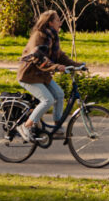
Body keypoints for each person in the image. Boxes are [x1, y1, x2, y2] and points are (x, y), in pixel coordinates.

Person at [16, 9, 73, 141]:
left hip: (41, 75)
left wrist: (77, 65)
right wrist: (56, 67)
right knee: (47, 100)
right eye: (58, 20)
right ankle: (26, 126)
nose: (60, 22)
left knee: (59, 94)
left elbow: (60, 56)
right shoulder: (39, 36)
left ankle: (58, 127)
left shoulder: (52, 37)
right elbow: (38, 58)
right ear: (50, 22)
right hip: (29, 75)